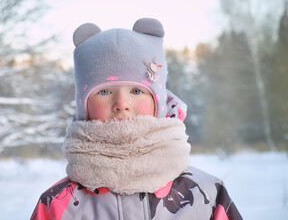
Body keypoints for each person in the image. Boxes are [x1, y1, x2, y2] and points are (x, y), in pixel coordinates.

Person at [30, 18, 242, 220]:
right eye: (104, 92)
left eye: (136, 91)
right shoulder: (56, 205)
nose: (122, 103)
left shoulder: (208, 197)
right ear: (83, 106)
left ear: (158, 101)